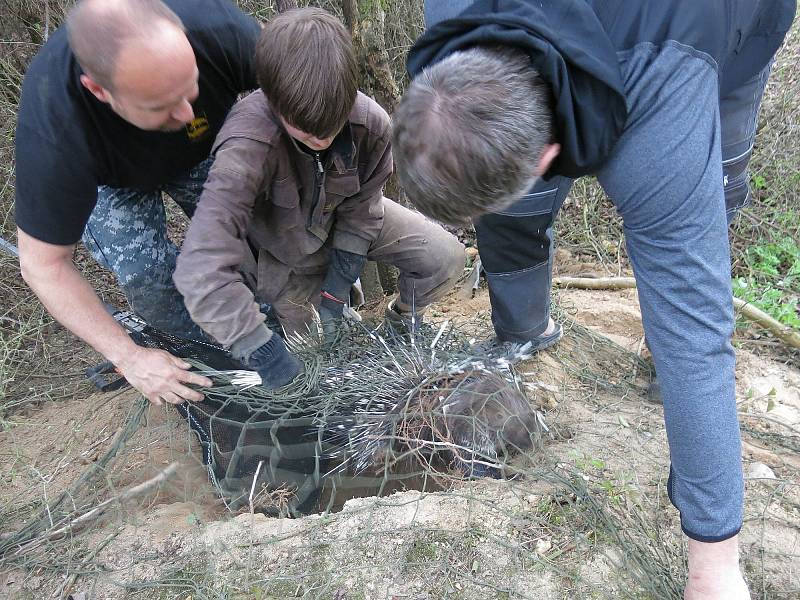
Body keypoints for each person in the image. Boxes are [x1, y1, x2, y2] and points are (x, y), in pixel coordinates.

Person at [391, 1, 796, 598]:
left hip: (721, 28)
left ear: (549, 159)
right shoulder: (450, 31)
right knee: (511, 209)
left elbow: (696, 337)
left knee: (709, 196)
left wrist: (714, 564)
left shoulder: (663, 111)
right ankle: (525, 330)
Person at [172, 8, 465, 389]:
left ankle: (400, 324)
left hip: (345, 222)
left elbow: (364, 206)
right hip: (283, 256)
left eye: (333, 123)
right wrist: (260, 350)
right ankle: (314, 329)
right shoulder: (245, 146)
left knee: (445, 258)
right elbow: (199, 268)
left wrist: (339, 284)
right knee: (322, 361)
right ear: (275, 102)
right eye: (308, 132)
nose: (324, 139)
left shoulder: (371, 122)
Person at [15, 0, 262, 405]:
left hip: (209, 147)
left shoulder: (221, 30)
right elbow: (43, 266)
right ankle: (213, 370)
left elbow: (306, 98)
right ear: (99, 90)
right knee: (147, 276)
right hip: (112, 180)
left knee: (255, 231)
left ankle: (278, 334)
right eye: (161, 105)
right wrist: (128, 356)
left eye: (190, 89)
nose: (185, 112)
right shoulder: (56, 131)